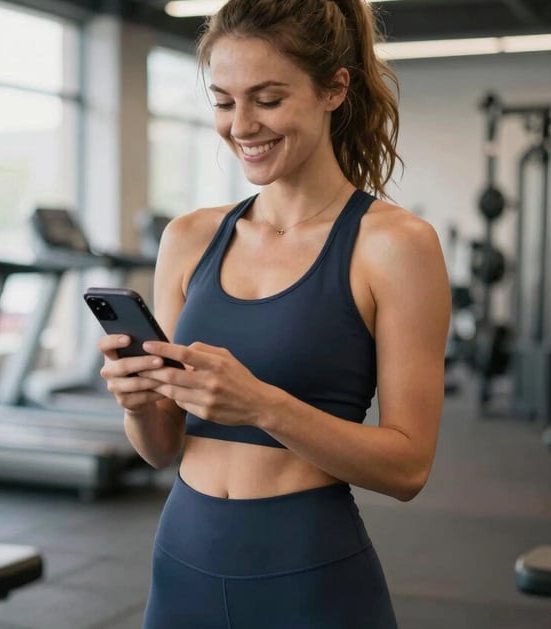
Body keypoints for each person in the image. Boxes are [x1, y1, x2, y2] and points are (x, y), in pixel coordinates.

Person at [98, 1, 451, 627]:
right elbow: (161, 449)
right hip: (183, 563)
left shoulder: (395, 245)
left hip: (308, 574)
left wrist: (262, 405)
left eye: (267, 99)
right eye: (223, 101)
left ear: (333, 89)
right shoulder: (189, 238)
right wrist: (138, 404)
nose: (241, 126)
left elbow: (408, 467)